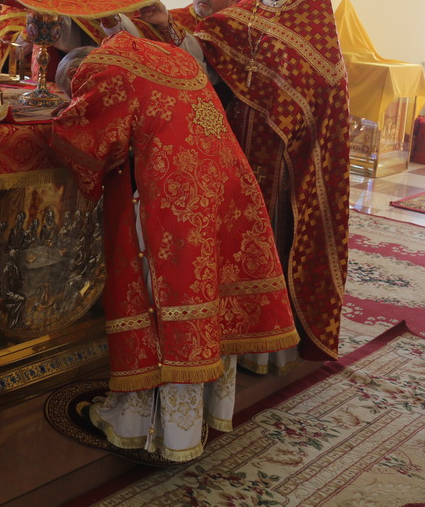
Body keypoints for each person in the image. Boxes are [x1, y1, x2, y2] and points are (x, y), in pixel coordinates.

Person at [51, 35, 297, 461]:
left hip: (171, 198)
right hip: (221, 183)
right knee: (203, 298)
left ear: (77, 75)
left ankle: (143, 426)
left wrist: (59, 122)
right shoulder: (163, 56)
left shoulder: (104, 70)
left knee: (159, 302)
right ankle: (192, 420)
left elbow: (85, 142)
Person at [193, 0, 351, 370]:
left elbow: (320, 87)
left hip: (285, 156)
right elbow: (208, 47)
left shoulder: (312, 19)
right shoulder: (249, 11)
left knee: (274, 234)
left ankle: (268, 344)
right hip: (240, 143)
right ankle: (231, 328)